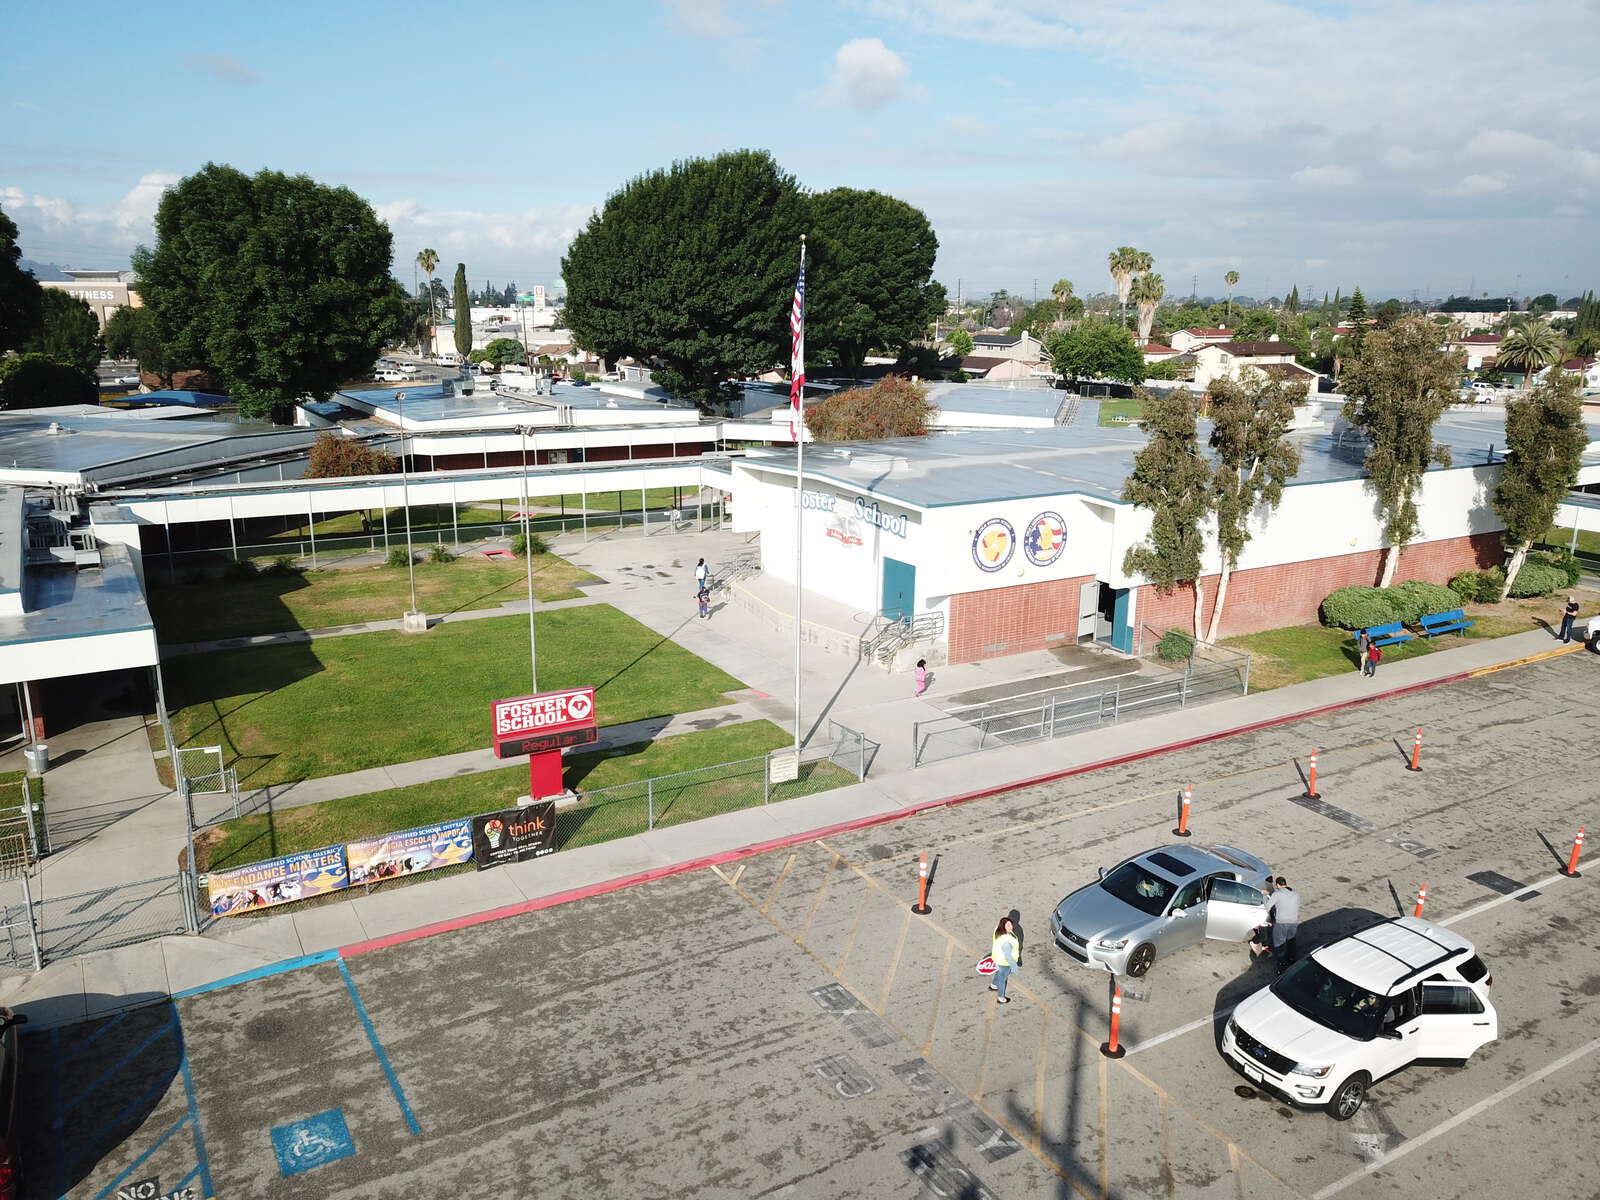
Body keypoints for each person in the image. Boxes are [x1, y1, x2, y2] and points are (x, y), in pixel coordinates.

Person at [1265, 876, 1300, 974]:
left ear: (1277, 885)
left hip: (1282, 923)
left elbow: (1267, 907)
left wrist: (1266, 896)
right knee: (1291, 941)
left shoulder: (1277, 894)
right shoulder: (1296, 893)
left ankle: (1281, 966)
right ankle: (1292, 959)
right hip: (1294, 922)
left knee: (1279, 944)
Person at [989, 916, 1020, 1004]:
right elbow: (1008, 956)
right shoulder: (1006, 941)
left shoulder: (997, 931)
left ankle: (993, 985)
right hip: (1005, 962)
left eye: (1011, 925)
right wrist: (1014, 968)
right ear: (1003, 926)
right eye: (1008, 925)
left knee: (999, 973)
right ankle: (1001, 997)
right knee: (1003, 979)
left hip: (998, 958)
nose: (1011, 927)